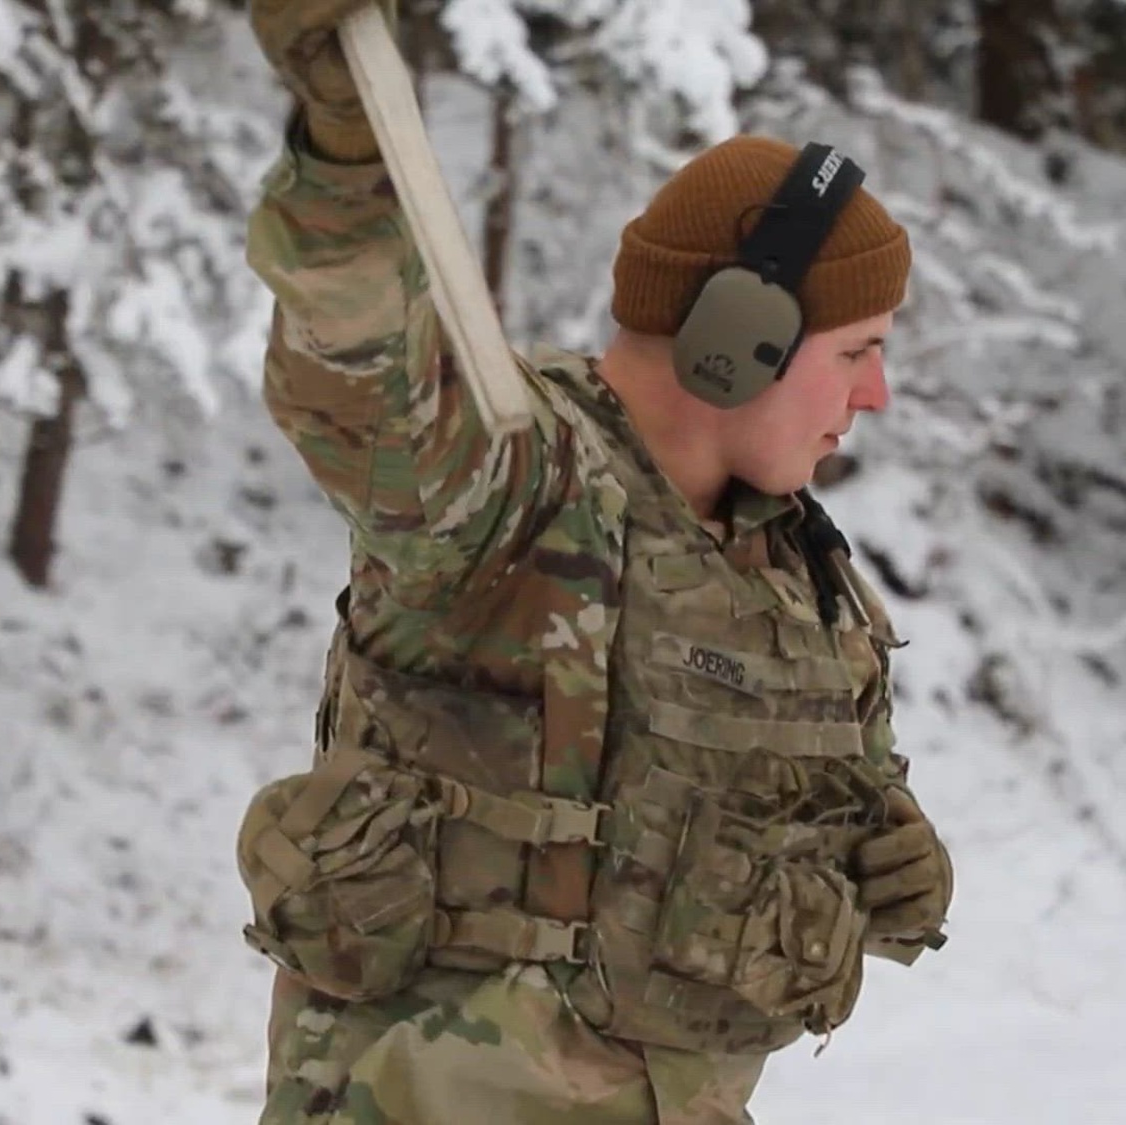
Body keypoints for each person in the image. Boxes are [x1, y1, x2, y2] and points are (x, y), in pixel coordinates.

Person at [233, 3, 955, 1122]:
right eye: (855, 353)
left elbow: (794, 825)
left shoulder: (801, 582)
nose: (874, 395)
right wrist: (342, 152)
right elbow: (358, 372)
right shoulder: (510, 497)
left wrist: (881, 866)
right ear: (738, 338)